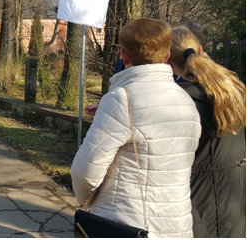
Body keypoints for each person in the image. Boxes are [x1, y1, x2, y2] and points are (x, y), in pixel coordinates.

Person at [71, 19, 201, 237]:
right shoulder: (186, 100)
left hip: (126, 223)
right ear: (167, 56)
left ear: (124, 56)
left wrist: (86, 201)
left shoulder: (122, 99)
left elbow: (85, 171)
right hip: (177, 228)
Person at [169, 26, 246, 238]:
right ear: (200, 49)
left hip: (203, 201)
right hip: (234, 197)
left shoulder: (184, 99)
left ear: (167, 59)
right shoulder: (230, 85)